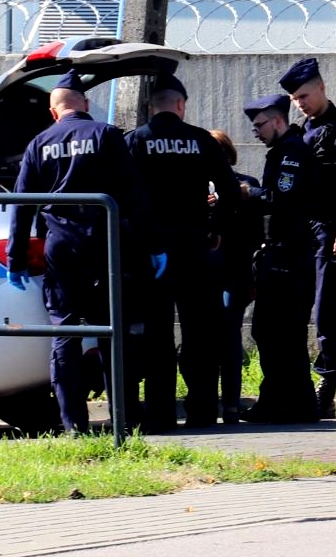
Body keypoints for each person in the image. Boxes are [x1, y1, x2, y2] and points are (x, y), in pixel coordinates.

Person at [6, 72, 165, 435]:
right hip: (106, 245)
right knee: (114, 332)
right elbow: (135, 195)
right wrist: (153, 245)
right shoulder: (106, 135)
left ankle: (73, 424)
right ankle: (123, 420)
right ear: (86, 105)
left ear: (53, 111)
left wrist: (16, 259)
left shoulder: (39, 143)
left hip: (61, 248)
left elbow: (20, 206)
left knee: (65, 333)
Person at [124, 72, 239, 429]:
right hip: (195, 250)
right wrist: (213, 227)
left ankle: (159, 414)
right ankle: (202, 410)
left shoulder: (135, 142)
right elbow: (231, 193)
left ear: (150, 107)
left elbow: (123, 198)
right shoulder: (201, 140)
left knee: (158, 336)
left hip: (153, 255)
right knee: (200, 333)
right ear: (180, 104)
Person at [279, 58, 336, 419]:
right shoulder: (301, 131)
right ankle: (300, 387)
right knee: (300, 309)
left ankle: (326, 387)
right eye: (295, 98)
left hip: (334, 229)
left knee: (327, 312)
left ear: (322, 88)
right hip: (304, 230)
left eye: (304, 95)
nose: (300, 102)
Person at [240, 94, 319, 423]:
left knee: (272, 331)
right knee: (286, 333)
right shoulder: (286, 151)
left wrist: (248, 192)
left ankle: (275, 403)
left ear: (277, 121)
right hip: (287, 254)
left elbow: (281, 199)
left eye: (259, 125)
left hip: (288, 254)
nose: (255, 131)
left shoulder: (291, 154)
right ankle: (299, 403)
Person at [208, 129, 263, 424]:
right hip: (204, 274)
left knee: (229, 332)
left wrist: (251, 279)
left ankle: (230, 403)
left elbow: (255, 236)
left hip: (235, 274)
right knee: (205, 337)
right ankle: (205, 401)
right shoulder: (192, 187)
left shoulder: (246, 186)